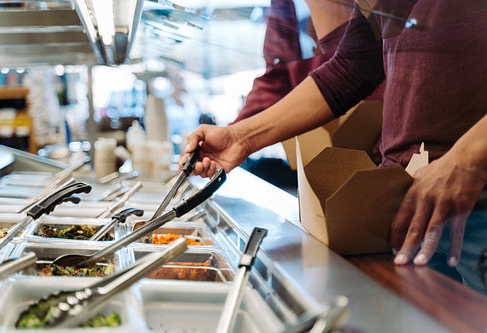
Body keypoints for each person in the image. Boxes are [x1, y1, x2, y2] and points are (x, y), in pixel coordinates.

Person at [179, 0, 487, 294]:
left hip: (476, 204)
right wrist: (240, 137)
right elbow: (353, 66)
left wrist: (468, 156)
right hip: (405, 204)